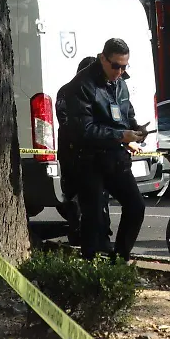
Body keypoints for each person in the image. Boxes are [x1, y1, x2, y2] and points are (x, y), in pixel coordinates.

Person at [59, 38, 149, 261]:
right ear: (102, 58)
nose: (119, 71)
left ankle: (120, 258)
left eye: (124, 66)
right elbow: (84, 131)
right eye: (115, 65)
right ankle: (90, 264)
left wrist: (136, 130)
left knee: (136, 206)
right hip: (89, 160)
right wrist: (121, 135)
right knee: (94, 217)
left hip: (116, 157)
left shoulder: (121, 83)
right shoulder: (82, 85)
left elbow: (126, 115)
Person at [56, 56, 109, 247]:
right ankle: (79, 235)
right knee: (76, 198)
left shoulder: (99, 92)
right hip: (73, 154)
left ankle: (102, 235)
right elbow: (69, 124)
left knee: (100, 197)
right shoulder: (68, 91)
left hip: (94, 155)